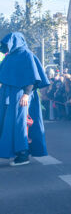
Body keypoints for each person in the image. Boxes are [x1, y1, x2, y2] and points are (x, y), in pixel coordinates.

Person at [0, 32, 49, 166]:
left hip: (21, 96)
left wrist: (26, 94)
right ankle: (14, 152)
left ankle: (23, 154)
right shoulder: (9, 57)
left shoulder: (27, 54)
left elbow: (33, 76)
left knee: (20, 125)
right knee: (7, 124)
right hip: (8, 96)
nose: (6, 46)